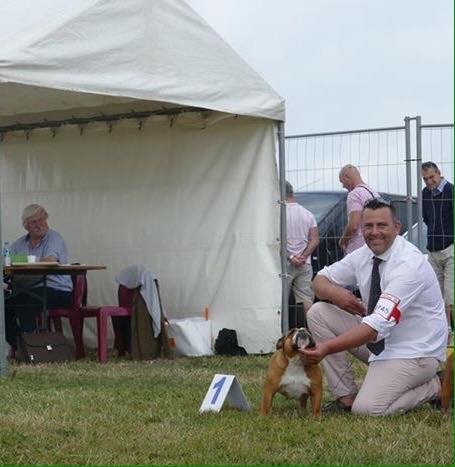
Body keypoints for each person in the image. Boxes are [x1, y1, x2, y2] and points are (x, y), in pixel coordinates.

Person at [300, 198, 447, 416]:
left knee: (368, 409)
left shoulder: (408, 265)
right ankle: (346, 396)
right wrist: (338, 294)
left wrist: (326, 348)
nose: (374, 232)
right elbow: (319, 280)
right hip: (382, 344)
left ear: (397, 228)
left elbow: (373, 328)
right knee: (318, 313)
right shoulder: (365, 254)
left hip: (415, 352)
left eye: (382, 225)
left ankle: (436, 386)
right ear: (361, 228)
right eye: (368, 226)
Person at [4, 204, 73, 351]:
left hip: (58, 290)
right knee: (4, 304)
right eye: (34, 222)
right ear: (26, 226)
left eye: (42, 220)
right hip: (30, 289)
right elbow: (7, 263)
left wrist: (25, 262)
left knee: (25, 300)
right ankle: (19, 345)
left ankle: (34, 349)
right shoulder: (19, 244)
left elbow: (49, 261)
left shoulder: (54, 238)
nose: (39, 225)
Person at [421, 161, 453, 336]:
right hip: (432, 250)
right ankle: (442, 330)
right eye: (425, 179)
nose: (429, 182)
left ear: (439, 173)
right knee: (436, 293)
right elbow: (426, 219)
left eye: (431, 177)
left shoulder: (452, 191)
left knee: (450, 294)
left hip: (450, 248)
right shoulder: (425, 193)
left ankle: (449, 330)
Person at [285, 181, 319, 316]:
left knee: (280, 299)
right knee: (306, 299)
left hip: (284, 264)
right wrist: (303, 256)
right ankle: (310, 330)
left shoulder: (278, 214)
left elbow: (277, 241)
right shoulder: (308, 214)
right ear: (292, 192)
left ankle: (280, 332)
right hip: (305, 263)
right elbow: (315, 239)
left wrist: (292, 257)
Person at [338, 164, 379, 254]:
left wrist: (343, 240)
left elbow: (353, 225)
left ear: (347, 177)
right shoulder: (374, 193)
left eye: (342, 182)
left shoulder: (354, 194)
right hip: (373, 245)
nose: (343, 186)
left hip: (358, 248)